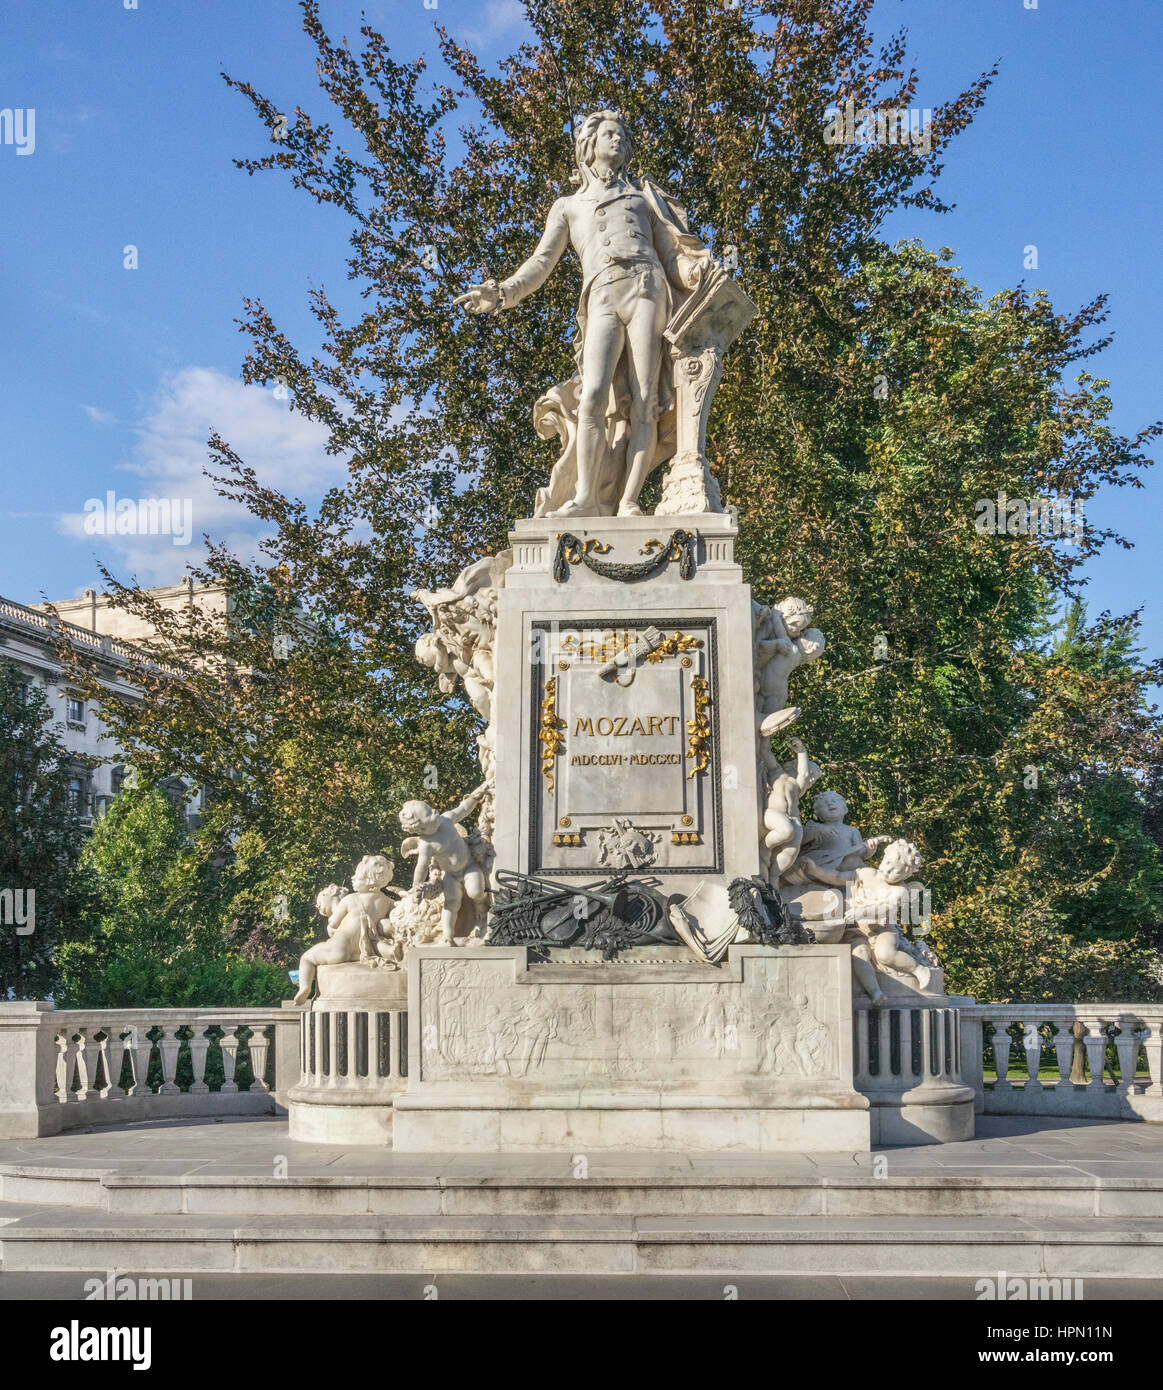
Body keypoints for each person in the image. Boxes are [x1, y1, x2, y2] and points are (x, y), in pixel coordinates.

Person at [455, 109, 713, 517]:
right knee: (592, 396)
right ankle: (585, 499)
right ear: (589, 145)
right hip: (602, 297)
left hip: (647, 289)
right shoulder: (568, 206)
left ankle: (629, 502)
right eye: (610, 134)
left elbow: (671, 256)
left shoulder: (643, 197)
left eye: (623, 138)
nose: (618, 142)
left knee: (645, 401)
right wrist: (502, 292)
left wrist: (696, 272)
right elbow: (540, 264)